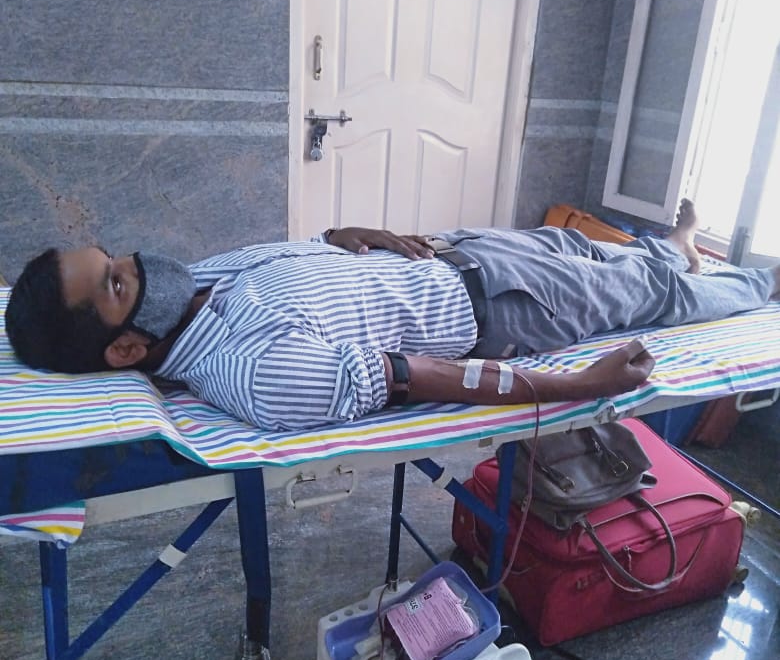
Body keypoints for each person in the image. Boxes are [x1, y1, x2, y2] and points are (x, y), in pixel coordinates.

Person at [5, 201, 778, 432]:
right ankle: (757, 283)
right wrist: (577, 386)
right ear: (125, 349)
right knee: (657, 297)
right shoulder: (254, 371)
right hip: (508, 306)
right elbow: (424, 376)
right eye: (116, 281)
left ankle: (674, 246)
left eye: (112, 254)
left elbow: (306, 261)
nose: (136, 261)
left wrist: (341, 235)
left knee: (581, 244)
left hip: (457, 249)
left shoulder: (193, 286)